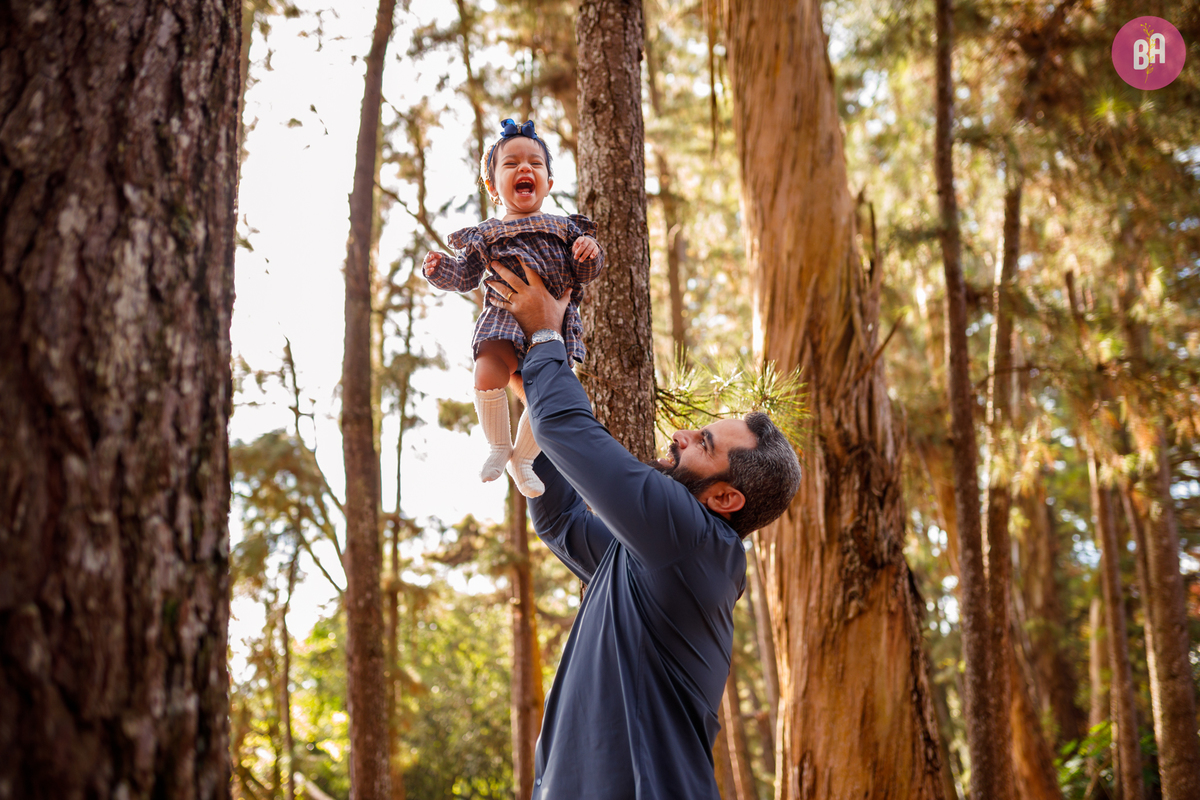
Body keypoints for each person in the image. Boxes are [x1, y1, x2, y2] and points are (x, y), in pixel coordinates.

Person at [484, 262, 802, 800]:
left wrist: (544, 336)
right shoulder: (653, 557)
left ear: (726, 499)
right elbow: (559, 518)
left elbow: (570, 431)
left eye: (703, 443)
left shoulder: (692, 541)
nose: (679, 434)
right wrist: (532, 394)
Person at [423, 118, 605, 499]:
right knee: (487, 367)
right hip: (503, 319)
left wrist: (590, 253)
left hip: (554, 326)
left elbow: (584, 272)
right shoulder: (487, 234)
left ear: (549, 183)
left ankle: (522, 460)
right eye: (511, 164)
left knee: (546, 396)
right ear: (492, 186)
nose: (525, 168)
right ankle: (497, 444)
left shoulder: (565, 227)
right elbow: (464, 276)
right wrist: (441, 270)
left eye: (535, 164)